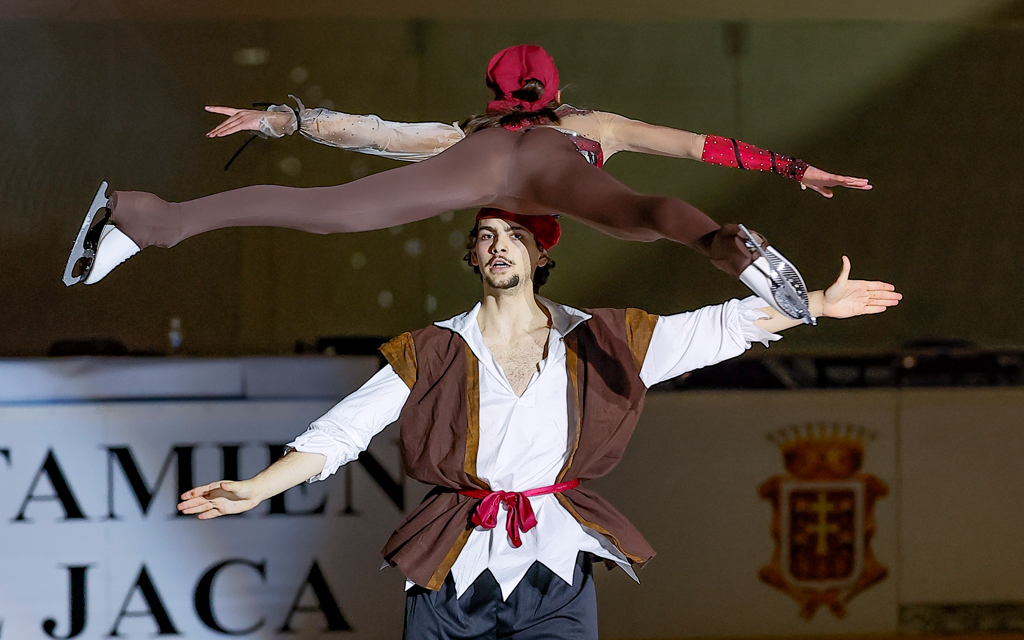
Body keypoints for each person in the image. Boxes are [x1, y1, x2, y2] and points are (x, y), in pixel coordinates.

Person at [176, 208, 900, 639]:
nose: (498, 245)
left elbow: (720, 326)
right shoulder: (432, 349)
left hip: (554, 567)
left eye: (515, 235)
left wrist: (815, 304)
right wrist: (257, 487)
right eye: (485, 235)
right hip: (450, 567)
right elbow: (342, 432)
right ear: (471, 255)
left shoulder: (603, 338)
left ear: (540, 253)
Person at [65, 45, 870, 322]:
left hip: (482, 165)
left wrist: (281, 119)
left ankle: (149, 218)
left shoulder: (469, 135)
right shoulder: (594, 126)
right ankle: (722, 243)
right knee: (638, 214)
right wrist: (794, 169)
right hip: (559, 164)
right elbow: (699, 147)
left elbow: (367, 132)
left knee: (326, 213)